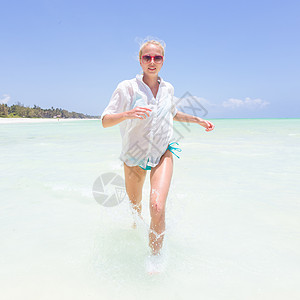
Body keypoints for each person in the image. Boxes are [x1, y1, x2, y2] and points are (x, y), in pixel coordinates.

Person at [101, 39, 214, 259]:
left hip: (162, 151)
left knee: (157, 205)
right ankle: (135, 234)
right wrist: (127, 114)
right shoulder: (126, 87)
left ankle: (155, 259)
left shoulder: (168, 88)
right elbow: (105, 120)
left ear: (163, 60)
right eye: (147, 57)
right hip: (133, 156)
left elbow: (172, 113)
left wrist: (197, 119)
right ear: (140, 60)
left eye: (157, 57)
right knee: (136, 209)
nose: (152, 62)